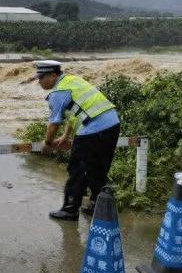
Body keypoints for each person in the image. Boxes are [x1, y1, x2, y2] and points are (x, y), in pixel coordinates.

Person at [34, 60, 120, 221]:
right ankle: (98, 206)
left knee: (77, 169)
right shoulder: (73, 80)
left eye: (41, 77)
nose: (39, 81)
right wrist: (66, 136)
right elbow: (75, 113)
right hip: (112, 125)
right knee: (99, 168)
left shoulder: (58, 93)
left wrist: (47, 144)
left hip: (93, 129)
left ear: (53, 75)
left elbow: (54, 123)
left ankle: (70, 209)